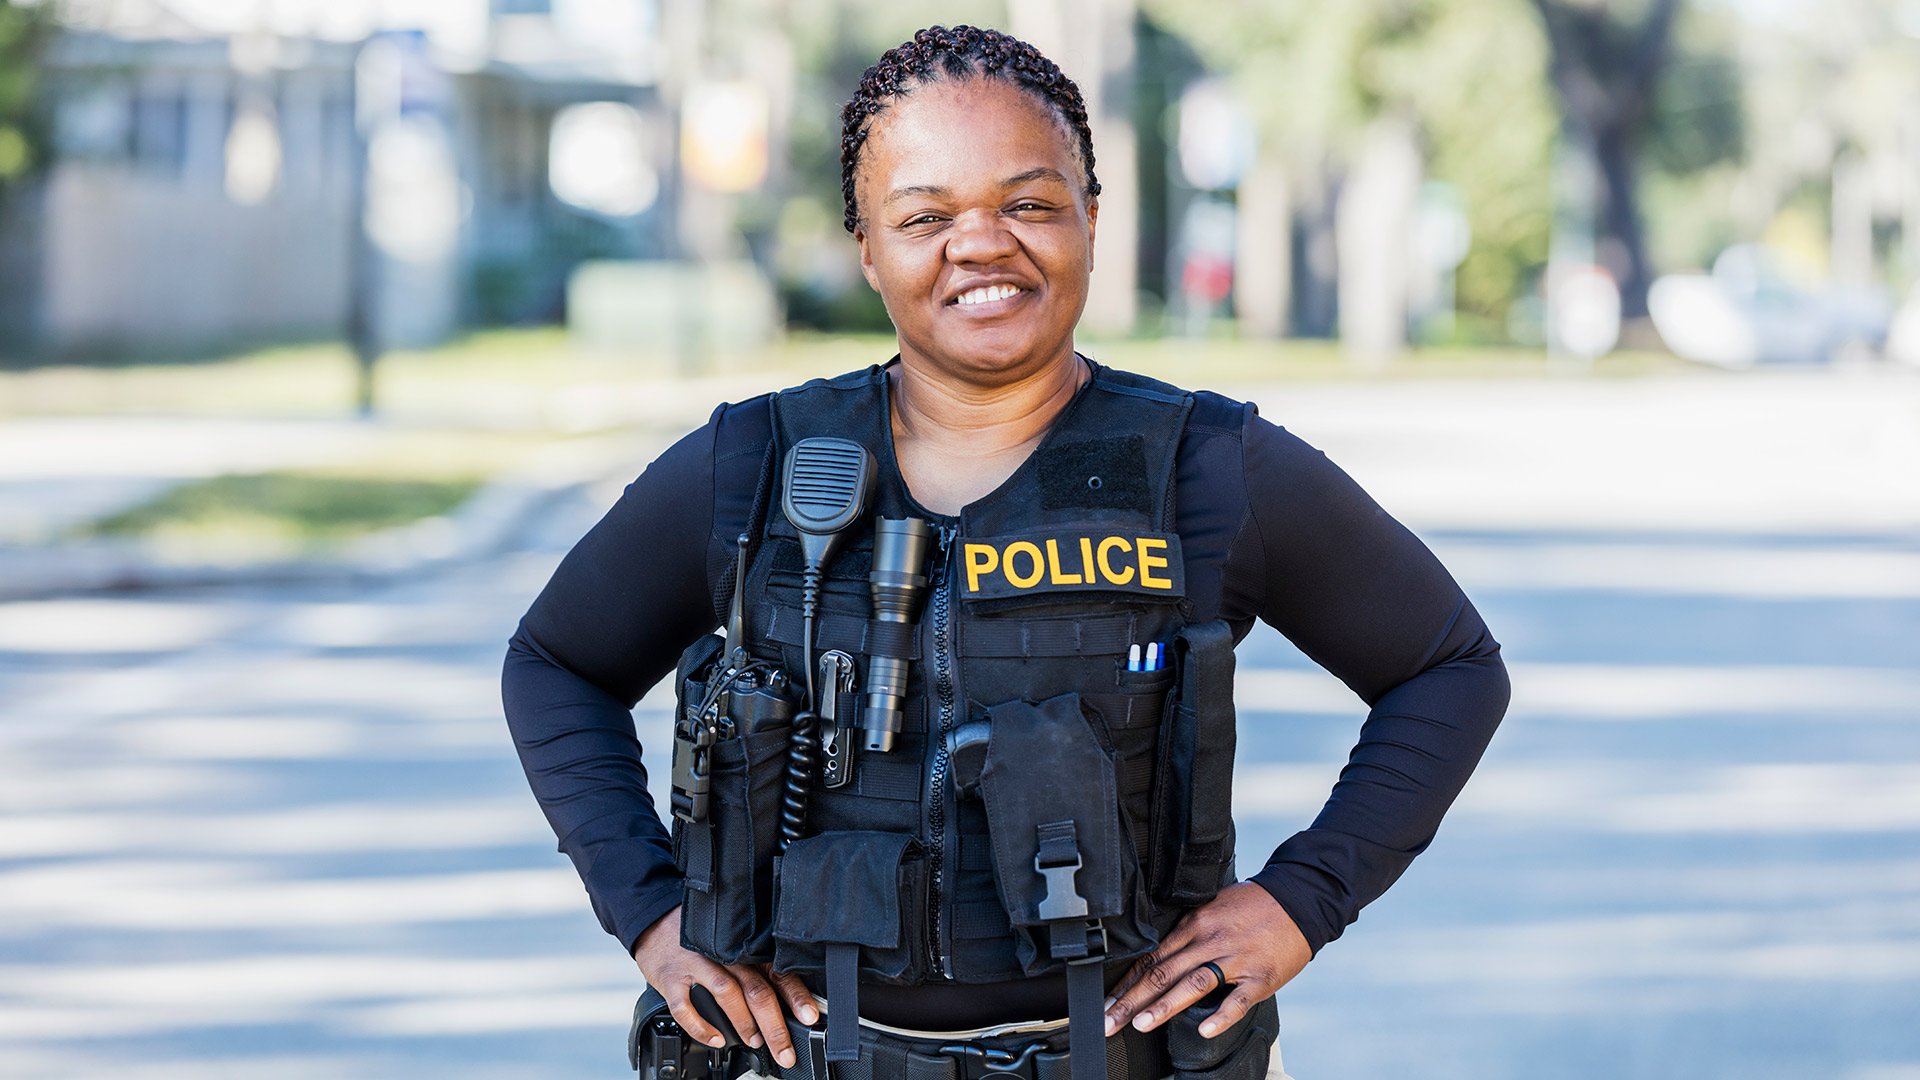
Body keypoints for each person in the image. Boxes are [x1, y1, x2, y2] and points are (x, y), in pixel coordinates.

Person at [502, 24, 1509, 1080]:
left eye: (1027, 203)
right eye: (925, 216)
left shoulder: (1207, 467)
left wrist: (1301, 903)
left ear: (1089, 217)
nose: (981, 244)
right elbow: (555, 664)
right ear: (867, 247)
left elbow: (1449, 669)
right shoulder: (755, 465)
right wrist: (653, 916)